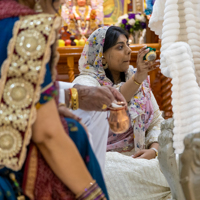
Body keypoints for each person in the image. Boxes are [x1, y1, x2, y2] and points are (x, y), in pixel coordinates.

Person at [0, 0, 113, 199]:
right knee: (72, 131)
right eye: (57, 5)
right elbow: (47, 135)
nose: (59, 13)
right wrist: (94, 196)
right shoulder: (26, 31)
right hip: (9, 173)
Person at [66, 26, 171, 199]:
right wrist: (137, 79)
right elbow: (108, 104)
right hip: (110, 160)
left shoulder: (137, 78)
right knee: (105, 174)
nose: (129, 51)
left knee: (182, 156)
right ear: (102, 55)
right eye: (120, 47)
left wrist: (154, 150)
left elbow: (156, 120)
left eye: (128, 45)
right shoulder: (86, 83)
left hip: (144, 158)